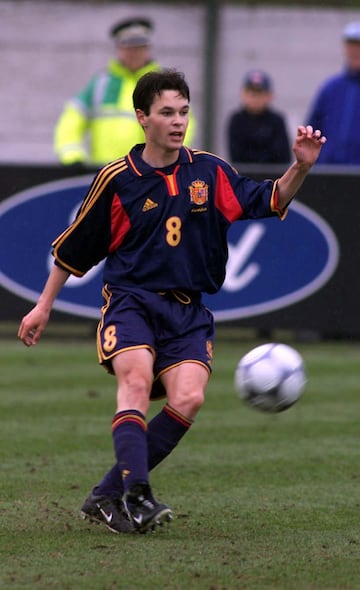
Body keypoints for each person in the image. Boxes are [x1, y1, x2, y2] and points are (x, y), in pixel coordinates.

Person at [18, 69, 326, 535]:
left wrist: (300, 166)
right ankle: (138, 495)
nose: (178, 121)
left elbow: (270, 200)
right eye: (166, 112)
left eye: (184, 111)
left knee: (189, 397)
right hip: (131, 302)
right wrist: (43, 306)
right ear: (143, 118)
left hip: (187, 312)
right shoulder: (118, 179)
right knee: (137, 383)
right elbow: (72, 249)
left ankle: (106, 495)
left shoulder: (210, 171)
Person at [54, 17, 194, 167]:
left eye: (140, 47)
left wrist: (169, 157)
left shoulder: (163, 84)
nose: (134, 53)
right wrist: (72, 156)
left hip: (150, 172)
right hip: (106, 173)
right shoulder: (101, 84)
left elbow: (183, 122)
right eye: (128, 47)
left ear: (148, 49)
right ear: (118, 49)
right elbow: (72, 119)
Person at [306, 22, 360, 164]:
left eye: (358, 45)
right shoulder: (330, 89)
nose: (355, 50)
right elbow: (312, 130)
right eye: (351, 45)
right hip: (329, 176)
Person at [227, 70, 291, 165]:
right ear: (242, 94)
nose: (255, 98)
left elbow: (283, 156)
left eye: (260, 93)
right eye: (251, 93)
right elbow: (236, 156)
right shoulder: (236, 120)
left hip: (274, 177)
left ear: (270, 95)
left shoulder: (277, 120)